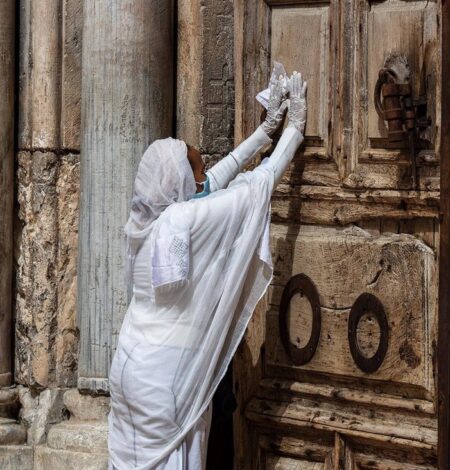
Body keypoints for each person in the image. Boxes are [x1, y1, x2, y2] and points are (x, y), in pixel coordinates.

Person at [107, 69, 307, 470]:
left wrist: (264, 132)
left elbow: (211, 183)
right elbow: (256, 187)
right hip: (169, 379)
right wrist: (295, 130)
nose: (203, 176)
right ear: (180, 185)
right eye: (195, 170)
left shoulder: (143, 223)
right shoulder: (184, 221)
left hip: (129, 369)